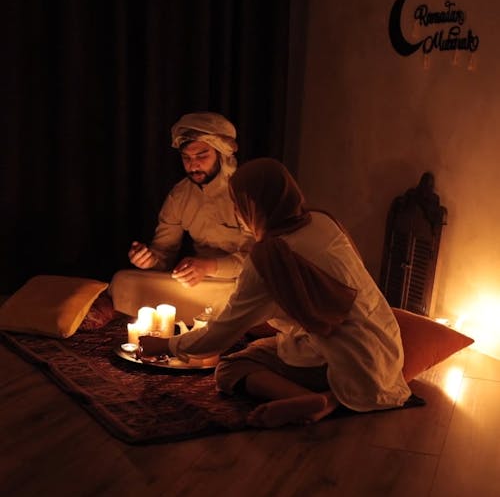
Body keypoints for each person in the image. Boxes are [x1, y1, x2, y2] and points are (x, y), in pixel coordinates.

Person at [140, 158, 412, 429]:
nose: (235, 211)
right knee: (265, 346)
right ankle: (332, 399)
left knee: (230, 367)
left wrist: (165, 345)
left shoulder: (269, 257)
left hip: (341, 360)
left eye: (238, 203)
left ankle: (310, 399)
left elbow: (219, 336)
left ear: (253, 205)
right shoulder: (322, 221)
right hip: (386, 349)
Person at [109, 111, 254, 320]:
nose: (193, 165)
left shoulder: (245, 191)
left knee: (250, 294)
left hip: (241, 283)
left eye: (202, 155)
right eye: (187, 158)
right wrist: (149, 260)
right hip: (200, 284)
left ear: (221, 154)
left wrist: (209, 266)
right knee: (123, 280)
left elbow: (255, 261)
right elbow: (164, 256)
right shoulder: (180, 195)